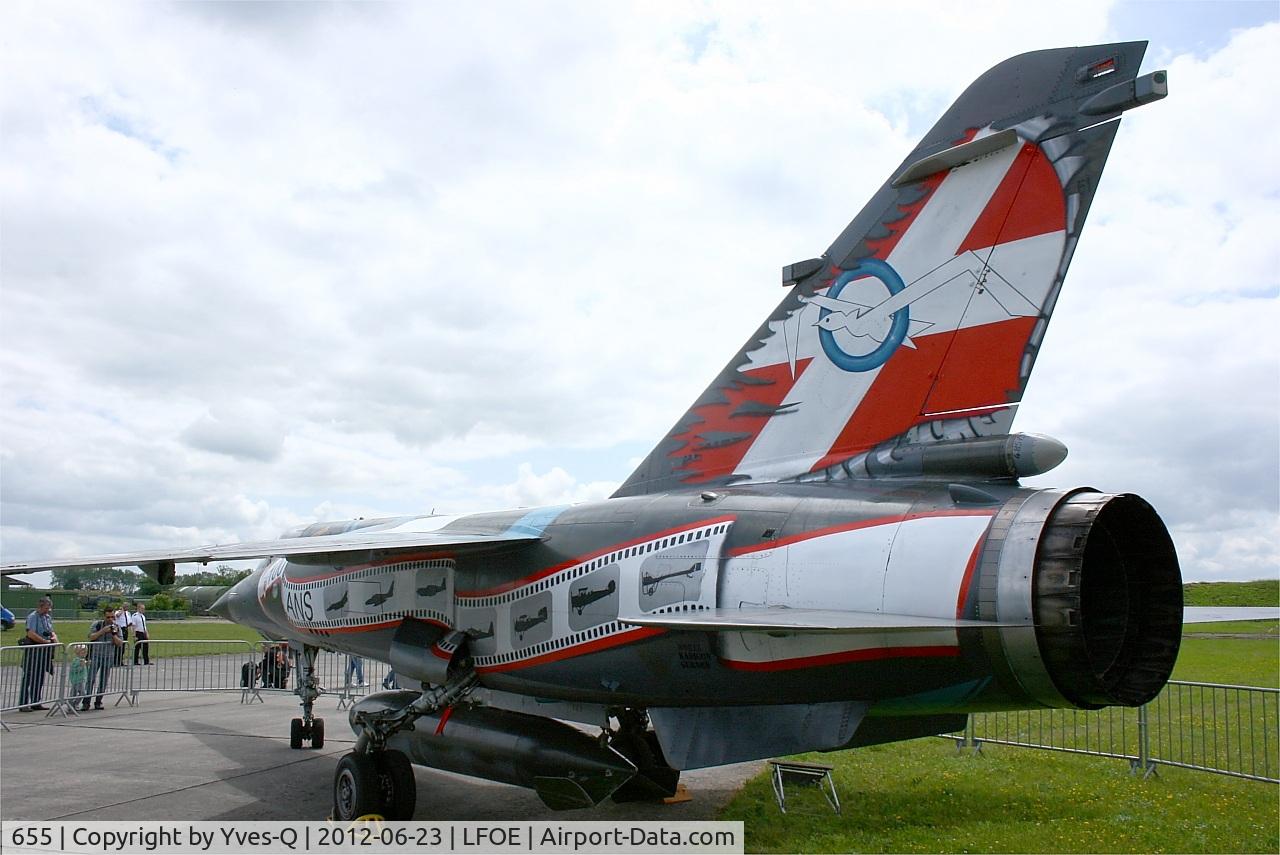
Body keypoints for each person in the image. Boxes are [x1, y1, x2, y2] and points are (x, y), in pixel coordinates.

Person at [19, 596, 58, 711]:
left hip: (44, 652)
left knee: (40, 676)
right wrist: (45, 642)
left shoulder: (47, 617)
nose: (48, 610)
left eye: (49, 608)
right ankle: (23, 703)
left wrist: (54, 639)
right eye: (46, 608)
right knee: (29, 677)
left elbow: (51, 631)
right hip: (33, 651)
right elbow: (31, 633)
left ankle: (36, 702)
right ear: (40, 607)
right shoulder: (32, 617)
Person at [84, 605, 123, 710]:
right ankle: (86, 702)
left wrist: (114, 634)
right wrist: (102, 631)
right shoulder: (97, 625)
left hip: (108, 656)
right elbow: (91, 637)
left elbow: (120, 643)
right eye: (108, 617)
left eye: (112, 617)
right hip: (95, 656)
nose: (110, 619)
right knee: (90, 679)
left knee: (103, 680)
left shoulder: (117, 627)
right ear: (104, 616)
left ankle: (98, 701)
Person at [68, 644, 89, 709]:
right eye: (82, 651)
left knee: (74, 693)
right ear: (77, 652)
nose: (84, 653)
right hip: (77, 680)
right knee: (82, 693)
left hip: (82, 679)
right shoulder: (76, 660)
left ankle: (71, 705)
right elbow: (74, 670)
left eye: (85, 652)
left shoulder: (83, 660)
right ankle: (74, 704)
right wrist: (81, 666)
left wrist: (87, 664)